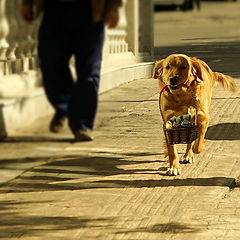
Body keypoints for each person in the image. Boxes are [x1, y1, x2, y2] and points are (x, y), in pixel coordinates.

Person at [21, 0, 122, 141]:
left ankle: (82, 125)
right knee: (51, 64)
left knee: (89, 72)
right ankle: (65, 106)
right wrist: (27, 3)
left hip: (90, 12)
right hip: (54, 10)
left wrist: (113, 7)